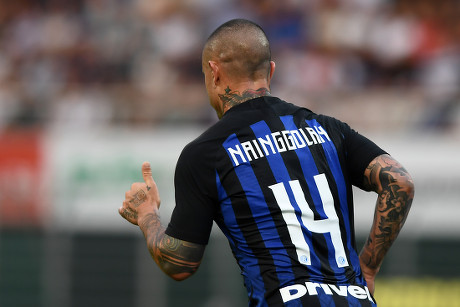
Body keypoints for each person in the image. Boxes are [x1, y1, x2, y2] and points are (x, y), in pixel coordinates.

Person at [119, 19, 414, 307]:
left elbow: (180, 263)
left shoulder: (206, 152)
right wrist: (369, 268)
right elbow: (399, 182)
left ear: (214, 72)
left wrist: (147, 215)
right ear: (270, 71)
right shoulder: (327, 128)